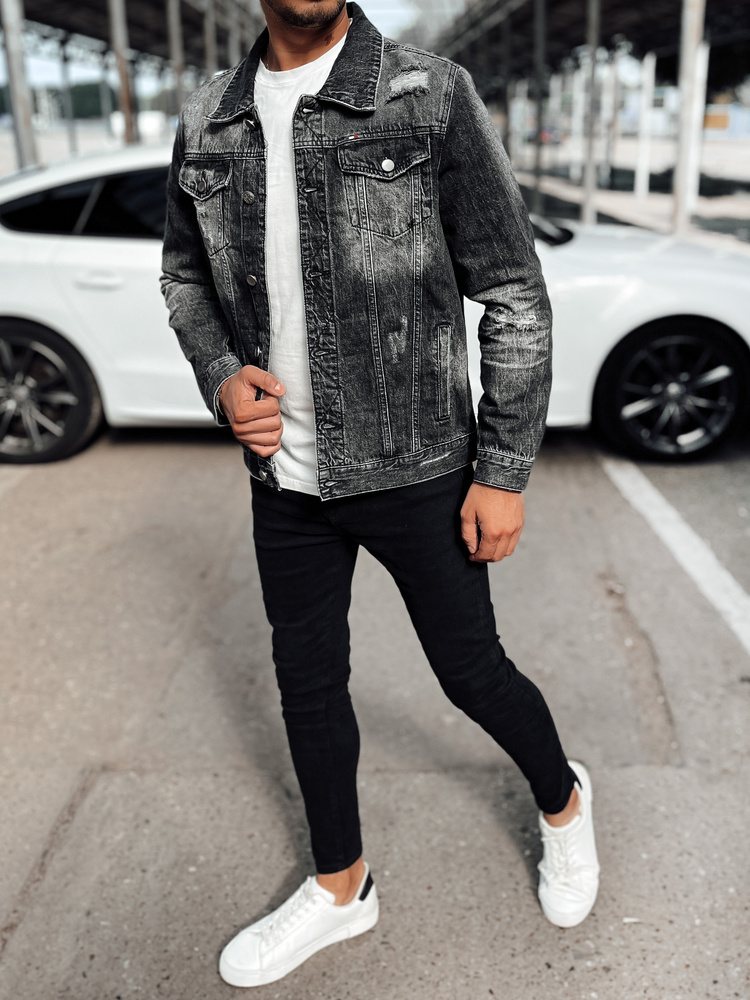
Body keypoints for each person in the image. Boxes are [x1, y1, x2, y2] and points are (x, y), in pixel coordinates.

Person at [161, 0, 600, 988]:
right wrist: (222, 378)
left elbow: (512, 289)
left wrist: (502, 470)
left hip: (419, 465)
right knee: (308, 686)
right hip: (285, 479)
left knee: (472, 674)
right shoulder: (206, 117)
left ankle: (566, 802)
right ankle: (340, 886)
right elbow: (184, 278)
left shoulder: (427, 94)